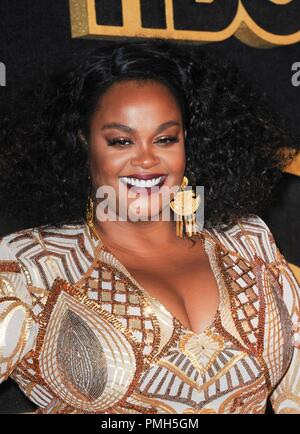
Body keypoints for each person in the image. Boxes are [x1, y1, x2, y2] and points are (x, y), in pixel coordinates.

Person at [0, 40, 299, 414]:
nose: (146, 158)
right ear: (83, 144)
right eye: (121, 141)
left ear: (189, 143)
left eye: (165, 139)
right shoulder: (30, 265)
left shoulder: (248, 241)